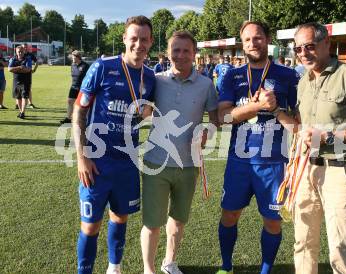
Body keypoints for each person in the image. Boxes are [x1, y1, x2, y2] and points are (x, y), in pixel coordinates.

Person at [293, 22, 346, 274]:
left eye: (309, 46)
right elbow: (303, 127)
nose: (303, 53)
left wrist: (328, 138)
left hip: (340, 170)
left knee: (340, 247)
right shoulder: (303, 81)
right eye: (298, 48)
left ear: (326, 44)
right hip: (306, 171)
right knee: (303, 242)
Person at [72, 15, 155, 274]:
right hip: (96, 162)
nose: (138, 44)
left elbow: (148, 113)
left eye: (144, 39)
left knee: (120, 217)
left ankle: (114, 267)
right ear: (124, 39)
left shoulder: (150, 77)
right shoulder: (102, 67)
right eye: (134, 38)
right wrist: (81, 157)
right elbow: (79, 112)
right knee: (90, 225)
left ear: (151, 42)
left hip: (127, 162)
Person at [216, 21, 299, 274]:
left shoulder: (288, 76)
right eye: (248, 39)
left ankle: (265, 271)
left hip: (274, 163)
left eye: (258, 37)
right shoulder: (232, 75)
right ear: (243, 44)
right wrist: (255, 107)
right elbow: (222, 118)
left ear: (267, 39)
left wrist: (276, 109)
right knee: (229, 215)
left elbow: (298, 125)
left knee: (273, 222)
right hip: (239, 161)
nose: (253, 43)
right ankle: (226, 266)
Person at [140, 30, 218, 274]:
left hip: (188, 165)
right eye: (176, 50)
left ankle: (169, 262)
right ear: (168, 52)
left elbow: (214, 121)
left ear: (194, 54)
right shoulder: (156, 79)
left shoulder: (206, 85)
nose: (181, 55)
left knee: (179, 219)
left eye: (186, 50)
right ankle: (148, 269)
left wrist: (206, 133)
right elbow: (143, 112)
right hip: (156, 163)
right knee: (152, 223)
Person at [60, 50, 90, 124]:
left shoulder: (85, 66)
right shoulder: (73, 65)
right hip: (73, 86)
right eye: (72, 57)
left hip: (82, 88)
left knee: (82, 104)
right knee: (70, 101)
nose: (72, 58)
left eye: (73, 57)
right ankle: (69, 118)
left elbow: (89, 77)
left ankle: (84, 119)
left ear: (78, 57)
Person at [8, 45, 32, 119]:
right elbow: (9, 69)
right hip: (16, 81)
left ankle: (23, 113)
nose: (20, 53)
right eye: (19, 52)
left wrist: (15, 69)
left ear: (24, 51)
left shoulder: (28, 59)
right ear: (16, 52)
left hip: (25, 81)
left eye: (21, 52)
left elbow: (28, 69)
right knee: (18, 98)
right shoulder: (13, 59)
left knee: (24, 97)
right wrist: (20, 67)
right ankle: (21, 111)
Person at [23, 43, 38, 108]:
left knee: (28, 88)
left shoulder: (30, 54)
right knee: (19, 88)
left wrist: (34, 69)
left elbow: (36, 62)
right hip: (20, 74)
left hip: (28, 73)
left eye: (26, 47)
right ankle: (18, 104)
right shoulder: (19, 54)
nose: (25, 48)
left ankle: (30, 103)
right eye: (24, 47)